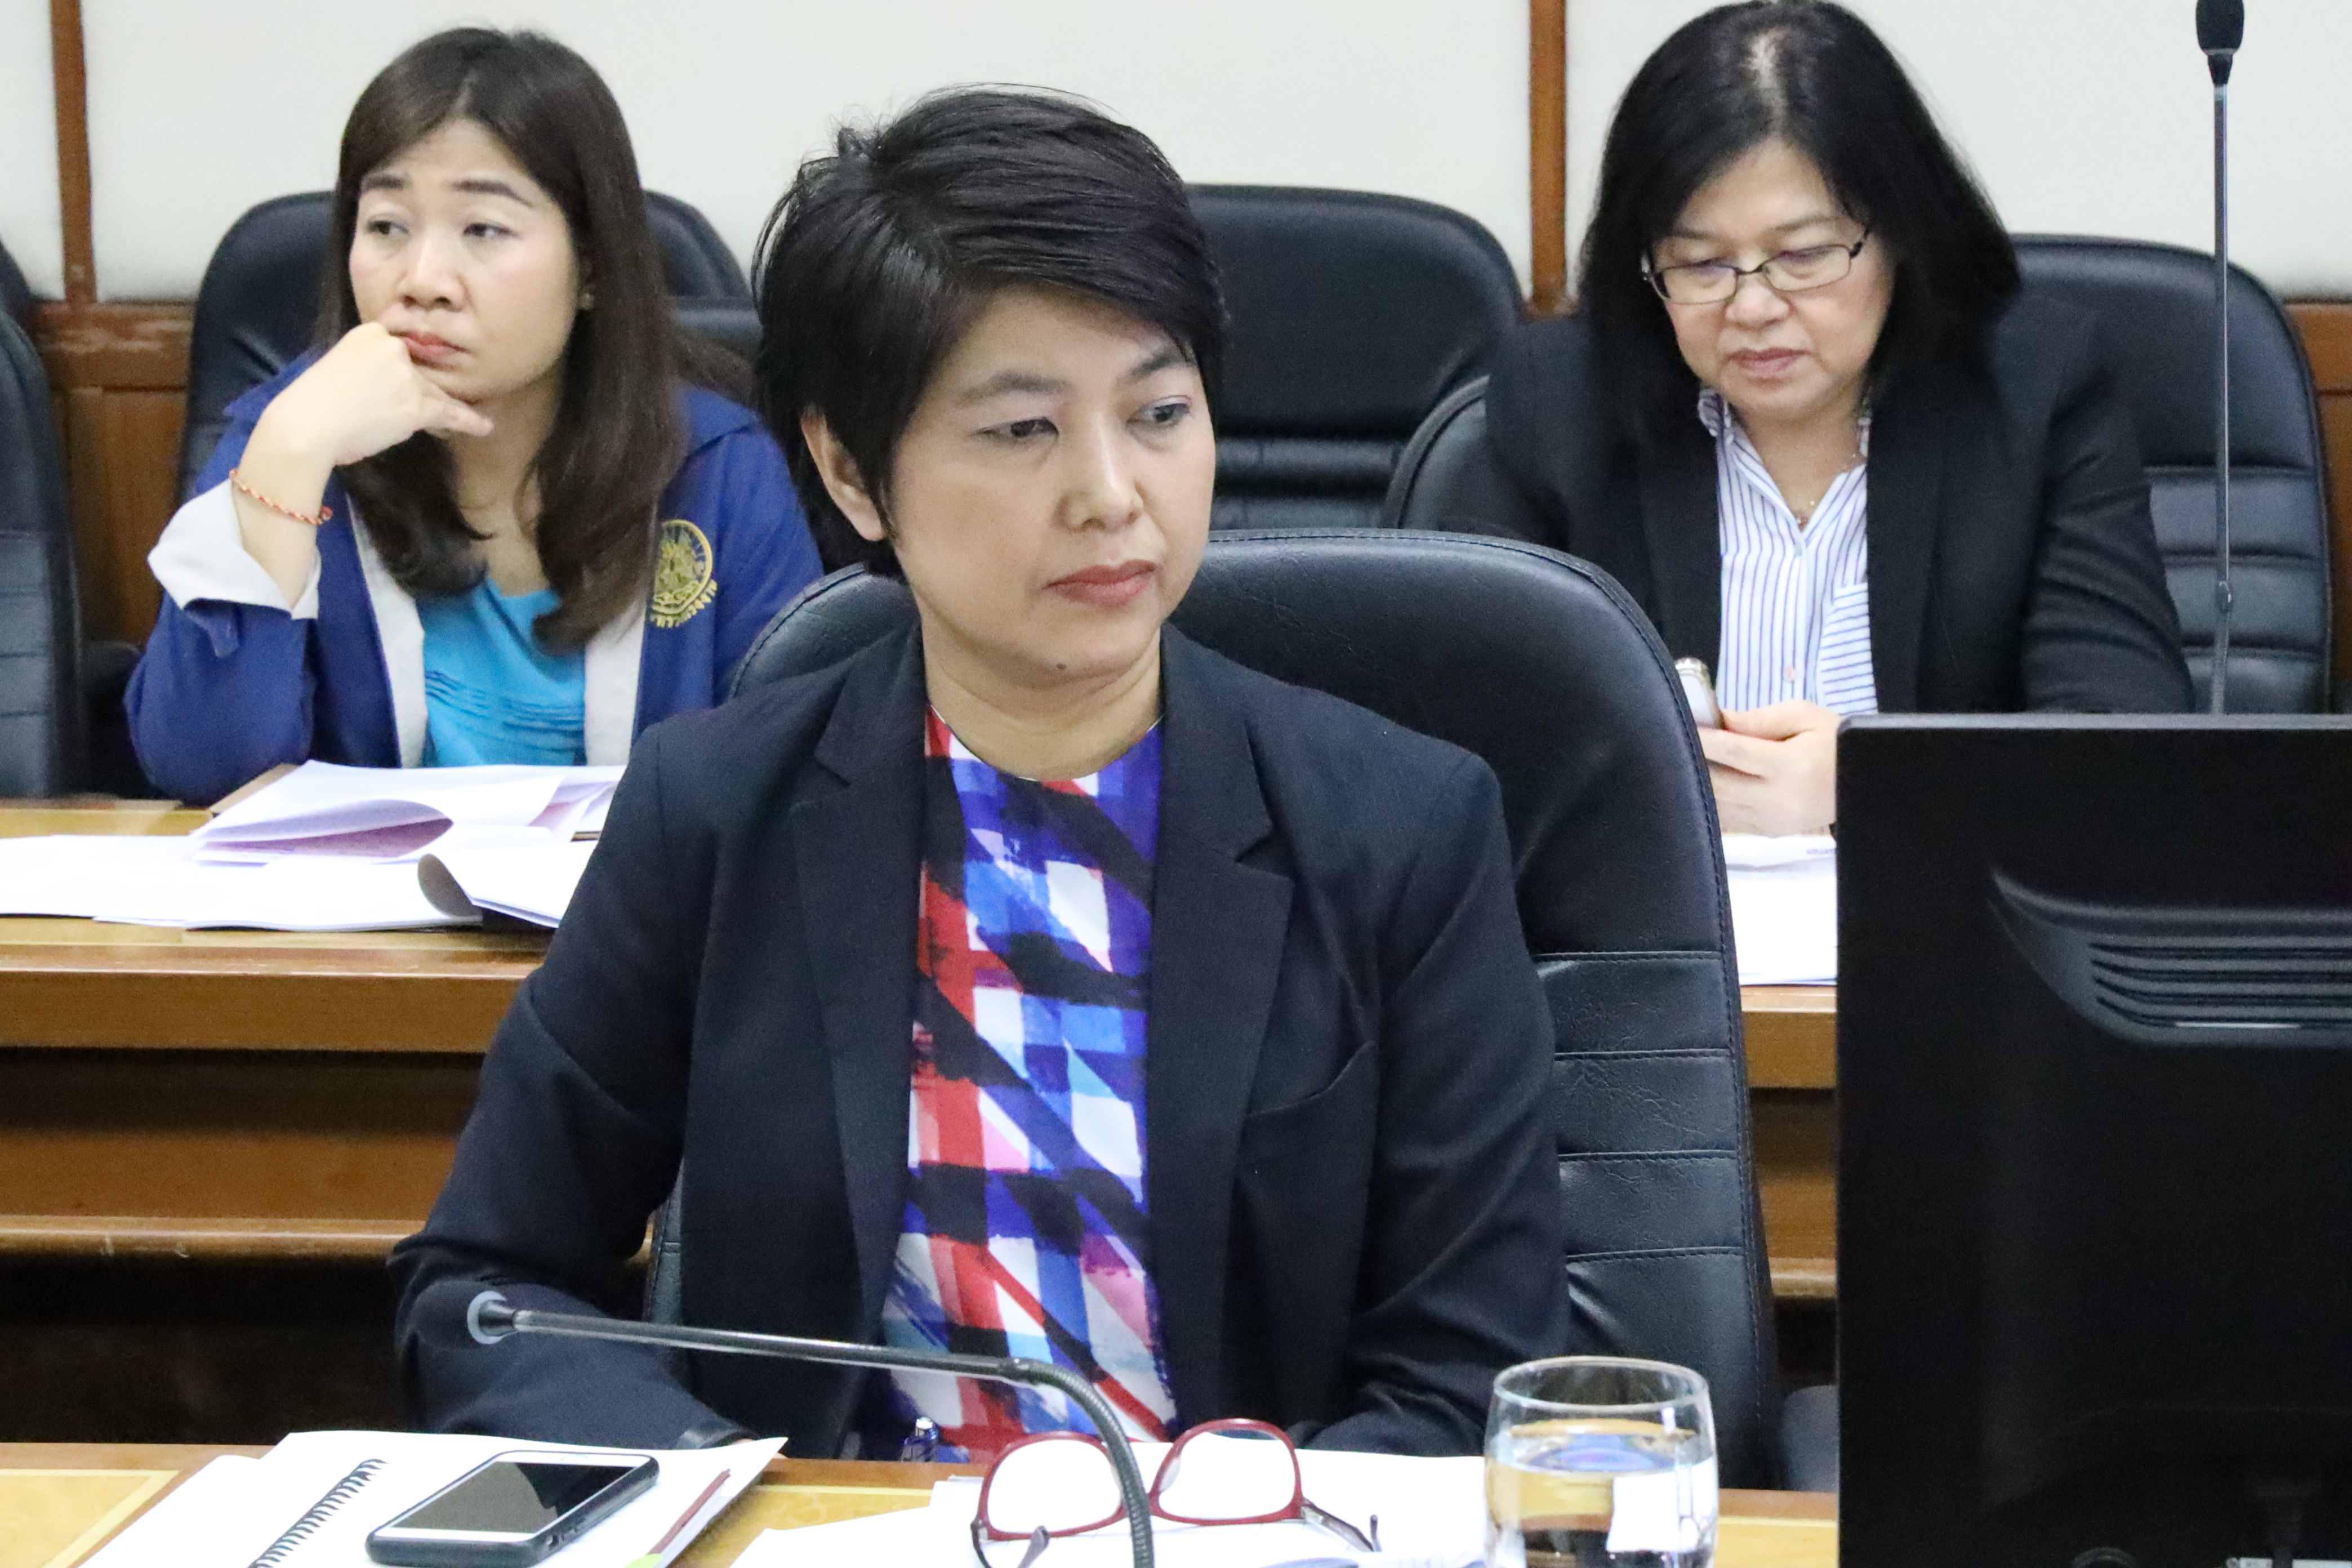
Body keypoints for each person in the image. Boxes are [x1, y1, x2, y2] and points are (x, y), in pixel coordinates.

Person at [391, 87, 1565, 1463]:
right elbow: (483, 1292)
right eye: (1023, 430)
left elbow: (1471, 1383)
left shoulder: (1401, 830)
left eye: (1160, 412)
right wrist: (739, 1500)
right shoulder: (712, 813)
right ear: (851, 471)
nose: (1111, 493)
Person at [1436, 0, 2190, 834]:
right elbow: (1454, 731)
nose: (1753, 307)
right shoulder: (1560, 403)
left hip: (1937, 903)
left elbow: (2125, 753)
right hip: (1655, 904)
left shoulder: (2034, 394)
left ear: (1902, 235)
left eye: (1803, 256)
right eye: (1701, 263)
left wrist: (1878, 789)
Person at [127, 29, 821, 804]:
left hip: (630, 888)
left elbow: (792, 777)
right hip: (368, 890)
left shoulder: (716, 469)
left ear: (591, 265)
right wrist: (290, 456)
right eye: (386, 227)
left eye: (483, 229)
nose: (423, 281)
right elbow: (204, 768)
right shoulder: (292, 437)